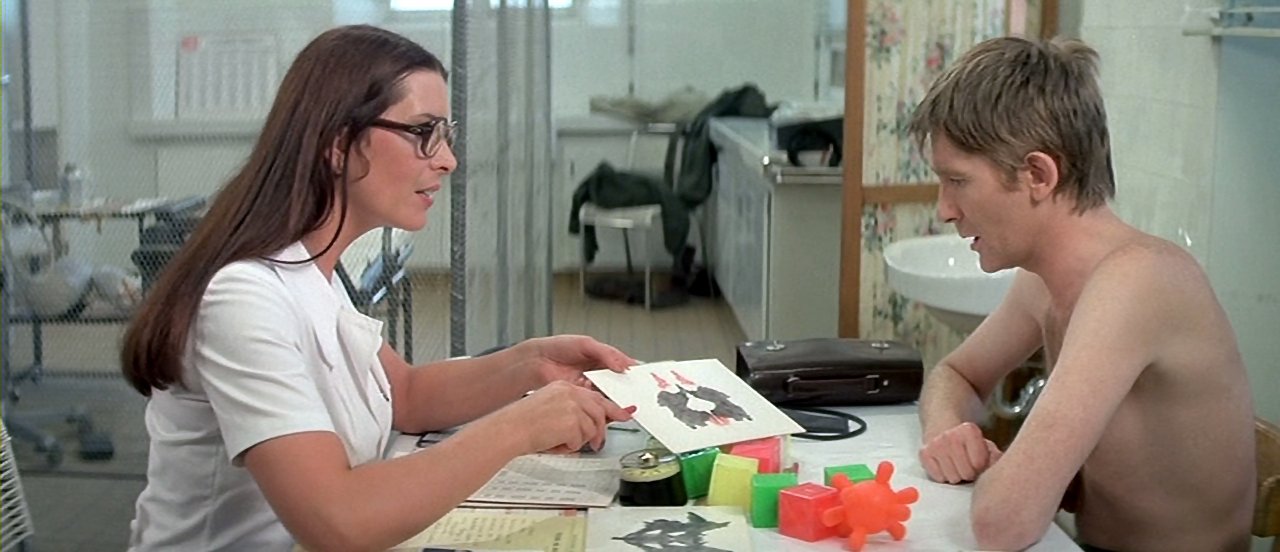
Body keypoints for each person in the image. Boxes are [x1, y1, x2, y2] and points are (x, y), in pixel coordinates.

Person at [121, 25, 636, 552]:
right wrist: (519, 428)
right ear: (339, 145)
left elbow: (405, 395)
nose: (447, 159)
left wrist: (531, 363)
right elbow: (338, 522)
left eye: (446, 134)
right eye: (424, 132)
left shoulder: (310, 270)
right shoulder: (243, 299)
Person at [909, 37, 1255, 551]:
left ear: (1038, 175)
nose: (944, 210)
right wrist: (947, 434)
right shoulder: (1043, 281)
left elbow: (1003, 524)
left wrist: (1003, 476)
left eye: (957, 180)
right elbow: (955, 373)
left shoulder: (1137, 282)